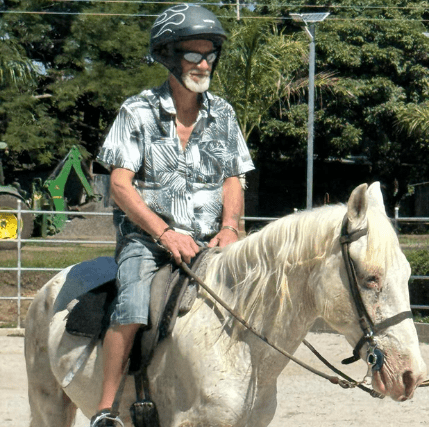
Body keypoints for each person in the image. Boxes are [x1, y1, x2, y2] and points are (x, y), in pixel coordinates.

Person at [91, 4, 254, 426]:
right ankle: (106, 410)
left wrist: (231, 227)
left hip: (210, 240)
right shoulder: (137, 112)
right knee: (131, 304)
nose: (204, 63)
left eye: (210, 54)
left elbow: (233, 178)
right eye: (193, 54)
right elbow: (120, 185)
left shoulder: (225, 115)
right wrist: (164, 233)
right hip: (147, 240)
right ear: (168, 56)